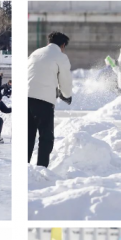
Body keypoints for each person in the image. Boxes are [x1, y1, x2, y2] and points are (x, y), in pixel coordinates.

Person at [28, 31, 73, 167]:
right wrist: (66, 95)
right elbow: (65, 81)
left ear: (49, 42)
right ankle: (41, 169)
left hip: (25, 98)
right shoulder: (60, 56)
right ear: (63, 45)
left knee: (28, 136)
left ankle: (25, 168)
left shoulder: (35, 53)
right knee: (46, 137)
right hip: (44, 101)